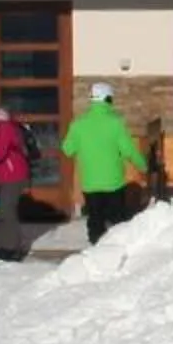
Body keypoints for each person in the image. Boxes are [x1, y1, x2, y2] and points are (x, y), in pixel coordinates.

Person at [64, 82, 145, 246]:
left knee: (95, 220)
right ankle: (117, 252)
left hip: (90, 182)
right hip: (114, 181)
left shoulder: (78, 124)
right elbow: (129, 151)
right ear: (108, 99)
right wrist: (144, 166)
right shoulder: (116, 123)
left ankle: (96, 250)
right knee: (117, 221)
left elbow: (67, 149)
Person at [0, 100, 31, 257]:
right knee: (0, 212)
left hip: (13, 176)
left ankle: (11, 248)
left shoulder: (5, 127)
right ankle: (1, 245)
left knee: (6, 212)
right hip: (2, 176)